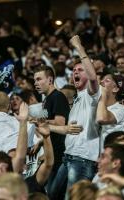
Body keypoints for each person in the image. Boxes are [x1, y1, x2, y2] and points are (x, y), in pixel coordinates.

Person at [49, 35, 100, 199]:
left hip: (82, 160)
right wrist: (45, 126)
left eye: (80, 70)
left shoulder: (91, 95)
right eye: (73, 71)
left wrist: (78, 46)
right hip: (68, 157)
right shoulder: (78, 99)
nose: (75, 73)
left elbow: (93, 77)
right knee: (52, 194)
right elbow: (68, 130)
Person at [33, 65, 70, 193]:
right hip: (52, 155)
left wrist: (40, 122)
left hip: (60, 156)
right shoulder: (46, 99)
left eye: (39, 79)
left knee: (53, 194)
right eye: (34, 80)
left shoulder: (58, 97)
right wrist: (41, 142)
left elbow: (60, 123)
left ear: (49, 80)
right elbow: (45, 124)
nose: (35, 83)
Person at [96, 72, 124, 153]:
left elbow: (103, 118)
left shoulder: (120, 109)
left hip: (112, 158)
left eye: (107, 81)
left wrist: (102, 96)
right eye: (101, 80)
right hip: (95, 158)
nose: (101, 82)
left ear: (115, 89)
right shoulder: (97, 106)